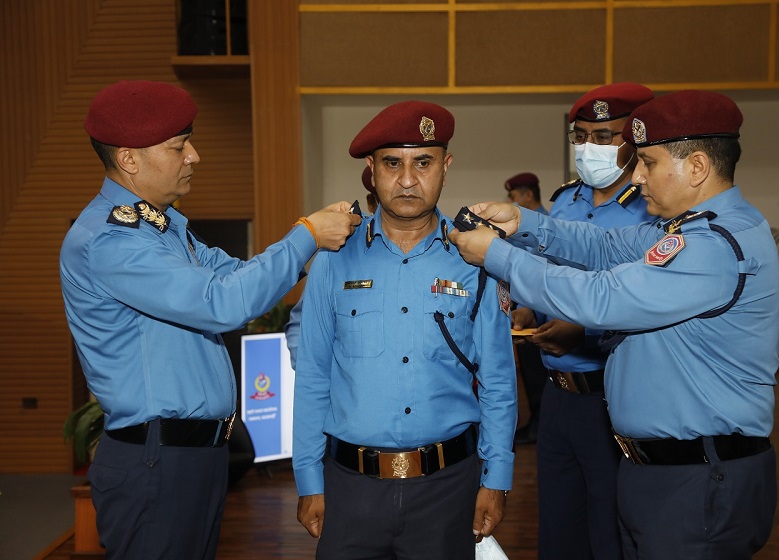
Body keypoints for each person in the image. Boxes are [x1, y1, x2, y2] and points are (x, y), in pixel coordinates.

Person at [449, 90, 779, 560]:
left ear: (697, 167)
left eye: (647, 162)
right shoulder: (687, 228)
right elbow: (605, 246)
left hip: (698, 480)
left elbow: (602, 299)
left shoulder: (714, 246)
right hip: (665, 471)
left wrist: (498, 257)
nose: (638, 176)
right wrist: (523, 223)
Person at [59, 80, 360, 560]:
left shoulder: (164, 226)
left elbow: (239, 277)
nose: (194, 155)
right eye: (179, 146)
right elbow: (223, 303)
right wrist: (306, 234)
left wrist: (311, 250)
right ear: (129, 159)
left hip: (193, 456)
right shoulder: (111, 241)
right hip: (155, 459)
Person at [292, 100, 518, 560]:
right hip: (350, 487)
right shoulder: (333, 258)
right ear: (372, 171)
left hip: (448, 489)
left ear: (446, 167)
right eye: (393, 163)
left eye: (424, 162)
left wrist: (497, 479)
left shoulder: (475, 258)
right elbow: (313, 375)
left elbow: (498, 381)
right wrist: (308, 479)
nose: (408, 179)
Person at [514, 83, 654, 559]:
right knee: (557, 529)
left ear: (634, 139)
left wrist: (584, 329)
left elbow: (647, 301)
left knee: (610, 532)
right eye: (582, 137)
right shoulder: (566, 201)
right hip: (558, 395)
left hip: (611, 399)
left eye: (605, 136)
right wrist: (530, 306)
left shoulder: (653, 209)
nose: (590, 148)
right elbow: (552, 271)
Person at [286, 166, 380, 370]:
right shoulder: (340, 251)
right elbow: (299, 329)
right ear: (371, 203)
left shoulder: (450, 248)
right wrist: (320, 378)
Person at [503, 172, 549, 445]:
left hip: (547, 315)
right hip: (527, 314)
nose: (510, 201)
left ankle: (541, 424)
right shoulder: (519, 229)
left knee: (543, 376)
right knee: (532, 375)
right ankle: (536, 422)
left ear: (527, 195)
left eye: (513, 196)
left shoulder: (549, 226)